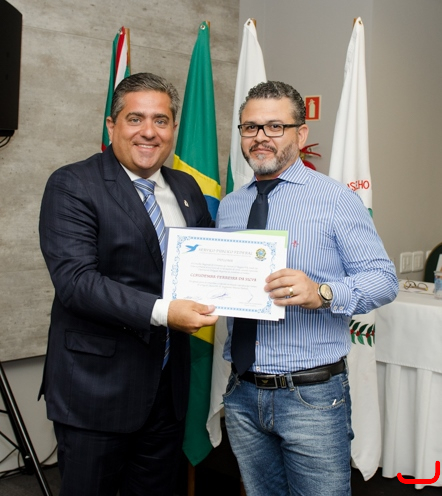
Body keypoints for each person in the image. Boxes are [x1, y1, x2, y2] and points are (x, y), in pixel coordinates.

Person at [39, 72, 218, 496]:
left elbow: (207, 264)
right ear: (112, 125)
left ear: (174, 128)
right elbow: (76, 282)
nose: (149, 132)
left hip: (167, 390)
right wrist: (165, 312)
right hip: (96, 388)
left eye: (161, 120)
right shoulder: (73, 184)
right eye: (135, 119)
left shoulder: (186, 187)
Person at [216, 81, 398, 496]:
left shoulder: (335, 199)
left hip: (311, 396)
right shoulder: (231, 205)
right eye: (250, 127)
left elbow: (383, 280)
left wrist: (323, 293)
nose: (260, 137)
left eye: (275, 126)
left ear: (300, 134)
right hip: (242, 391)